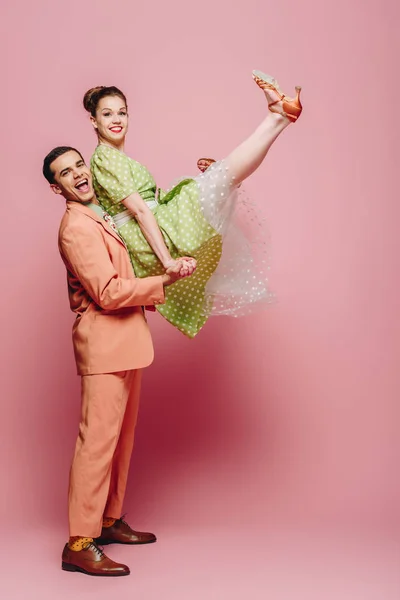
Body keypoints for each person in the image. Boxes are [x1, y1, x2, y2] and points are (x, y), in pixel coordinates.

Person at [43, 146, 188, 577]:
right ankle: (80, 542)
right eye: (65, 174)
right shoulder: (76, 227)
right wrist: (163, 280)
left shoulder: (100, 212)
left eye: (78, 165)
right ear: (57, 188)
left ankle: (108, 521)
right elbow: (106, 292)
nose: (78, 175)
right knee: (97, 445)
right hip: (103, 346)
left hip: (126, 341)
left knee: (120, 442)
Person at [83, 70, 302, 338]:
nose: (117, 119)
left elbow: (147, 204)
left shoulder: (116, 157)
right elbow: (139, 210)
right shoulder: (105, 158)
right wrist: (167, 262)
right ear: (93, 121)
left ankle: (280, 117)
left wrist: (209, 178)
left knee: (222, 178)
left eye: (122, 112)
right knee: (223, 177)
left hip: (154, 227)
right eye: (107, 114)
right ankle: (278, 116)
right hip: (149, 239)